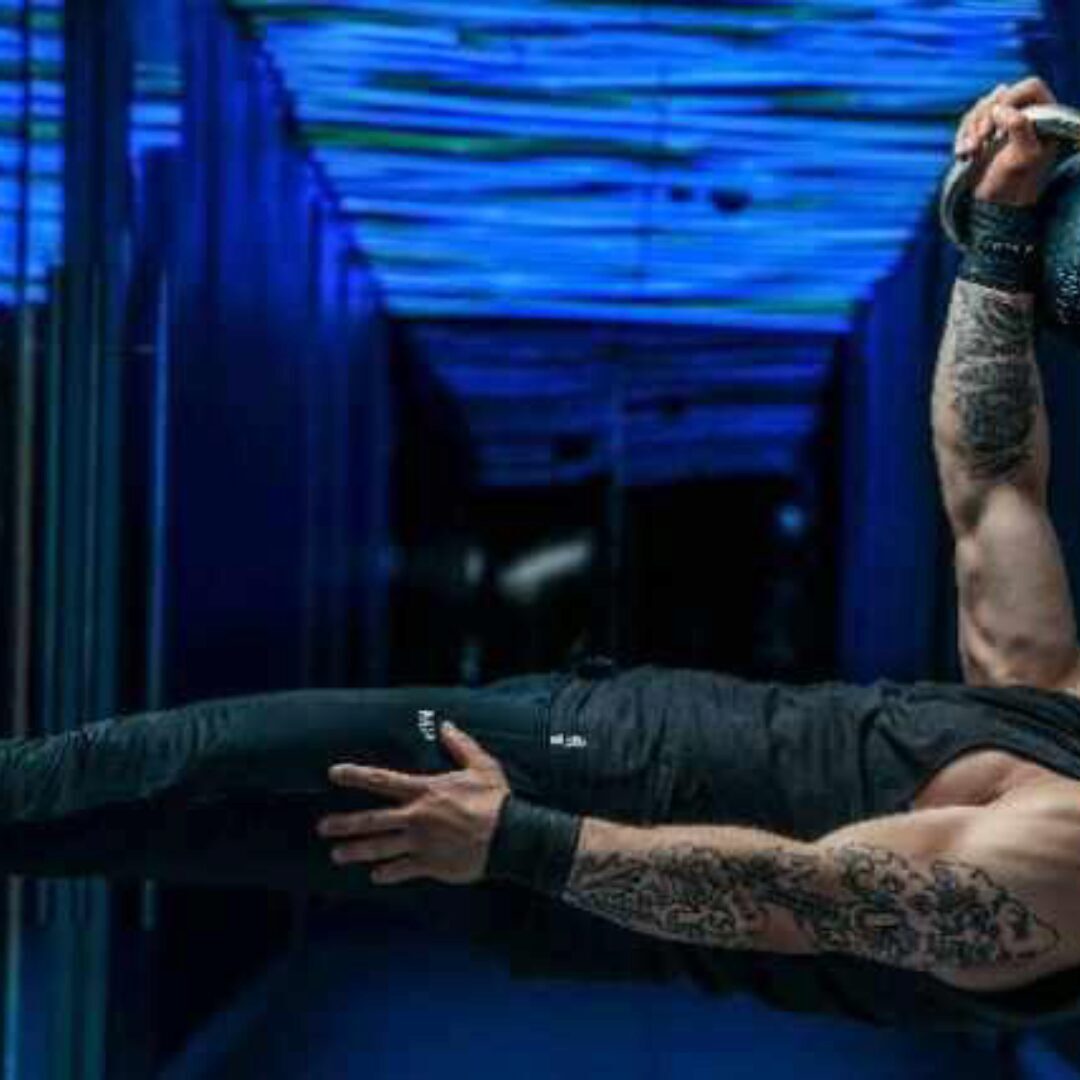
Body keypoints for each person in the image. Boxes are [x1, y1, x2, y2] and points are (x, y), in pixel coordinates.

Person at [5, 75, 1080, 1035]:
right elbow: (992, 483)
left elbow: (799, 897)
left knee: (155, 773)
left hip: (549, 812)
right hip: (571, 761)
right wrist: (1000, 232)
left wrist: (518, 841)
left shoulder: (1067, 867)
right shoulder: (1059, 723)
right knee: (135, 808)